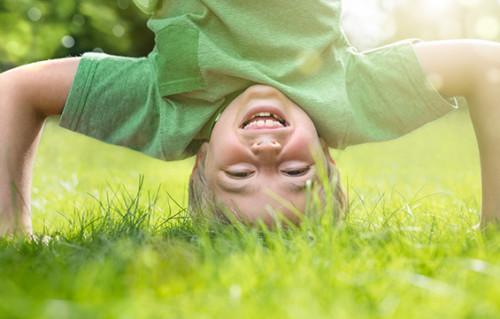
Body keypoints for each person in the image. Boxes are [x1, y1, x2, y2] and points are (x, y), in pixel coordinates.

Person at [0, 0, 499, 236]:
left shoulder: (163, 113)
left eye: (239, 175)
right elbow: (485, 65)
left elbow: (16, 89)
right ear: (326, 157)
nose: (266, 154)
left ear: (201, 161)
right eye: (296, 173)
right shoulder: (351, 101)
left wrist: (11, 231)